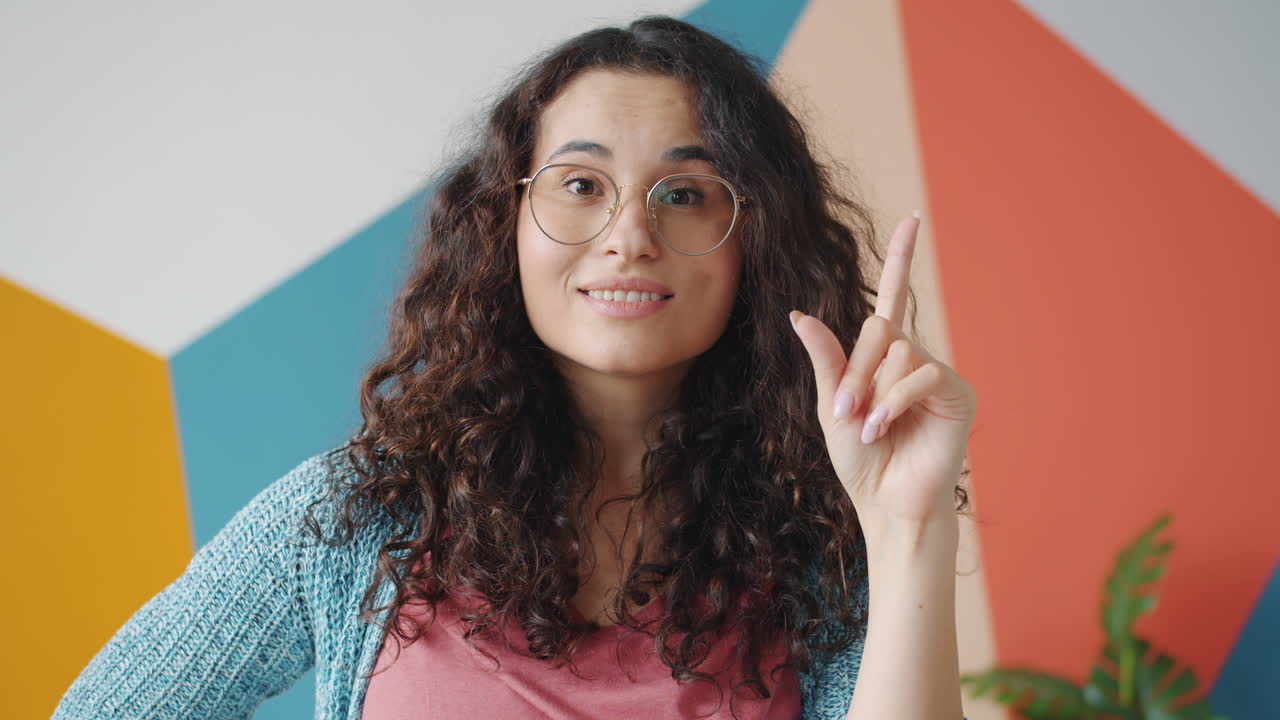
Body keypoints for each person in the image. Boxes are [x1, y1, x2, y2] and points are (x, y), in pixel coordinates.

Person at [53, 15, 974, 720]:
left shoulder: (812, 548)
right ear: (507, 225)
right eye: (581, 184)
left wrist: (907, 529)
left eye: (685, 195)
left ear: (754, 245)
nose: (628, 238)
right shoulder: (366, 514)